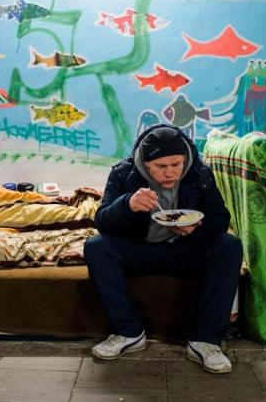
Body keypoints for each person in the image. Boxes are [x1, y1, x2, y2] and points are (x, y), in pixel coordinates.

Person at [84, 124, 242, 373]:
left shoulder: (199, 173)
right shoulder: (124, 174)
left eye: (176, 164)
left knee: (229, 245)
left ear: (185, 159)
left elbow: (220, 219)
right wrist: (127, 205)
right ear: (146, 163)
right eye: (160, 166)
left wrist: (196, 229)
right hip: (141, 250)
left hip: (185, 250)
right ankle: (128, 332)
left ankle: (206, 340)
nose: (170, 173)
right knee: (96, 247)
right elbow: (102, 221)